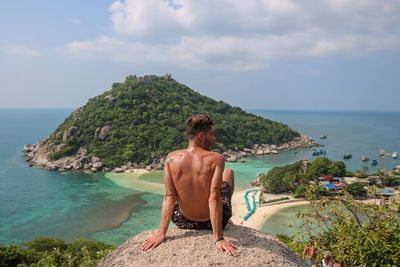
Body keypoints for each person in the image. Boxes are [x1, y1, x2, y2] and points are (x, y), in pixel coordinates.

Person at [140, 114, 238, 257]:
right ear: (201, 136)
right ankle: (225, 219)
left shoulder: (171, 158)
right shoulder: (217, 159)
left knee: (174, 195)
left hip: (182, 220)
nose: (214, 138)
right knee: (228, 173)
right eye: (211, 134)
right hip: (211, 223)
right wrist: (219, 238)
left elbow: (169, 196)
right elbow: (214, 199)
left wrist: (161, 233)